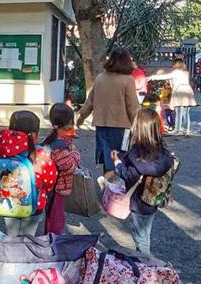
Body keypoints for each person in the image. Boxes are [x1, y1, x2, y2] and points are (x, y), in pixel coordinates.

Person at [111, 108, 174, 255]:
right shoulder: (162, 153)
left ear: (138, 128)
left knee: (140, 239)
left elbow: (128, 175)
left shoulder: (136, 155)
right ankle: (146, 261)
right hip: (153, 200)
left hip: (138, 203)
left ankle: (146, 265)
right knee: (145, 234)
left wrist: (117, 163)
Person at [76, 47, 140, 182]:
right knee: (121, 158)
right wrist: (140, 126)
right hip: (122, 128)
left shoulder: (100, 78)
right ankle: (110, 185)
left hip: (102, 126)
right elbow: (132, 107)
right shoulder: (127, 80)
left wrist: (81, 117)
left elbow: (90, 101)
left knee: (107, 158)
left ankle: (107, 187)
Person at [0, 111, 57, 237]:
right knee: (27, 238)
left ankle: (10, 254)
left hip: (9, 202)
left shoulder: (5, 150)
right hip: (34, 205)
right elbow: (50, 180)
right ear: (34, 135)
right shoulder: (41, 154)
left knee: (11, 235)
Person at [42, 103, 81, 235]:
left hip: (51, 187)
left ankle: (50, 238)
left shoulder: (50, 138)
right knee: (56, 220)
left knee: (52, 216)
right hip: (58, 188)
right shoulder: (60, 145)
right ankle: (54, 243)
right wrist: (75, 154)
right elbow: (68, 166)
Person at [148, 59, 197, 136]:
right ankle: (186, 130)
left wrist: (152, 77)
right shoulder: (185, 72)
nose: (172, 65)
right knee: (186, 112)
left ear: (176, 64)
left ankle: (178, 130)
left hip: (179, 92)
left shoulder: (176, 72)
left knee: (179, 112)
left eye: (173, 64)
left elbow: (165, 76)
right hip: (187, 92)